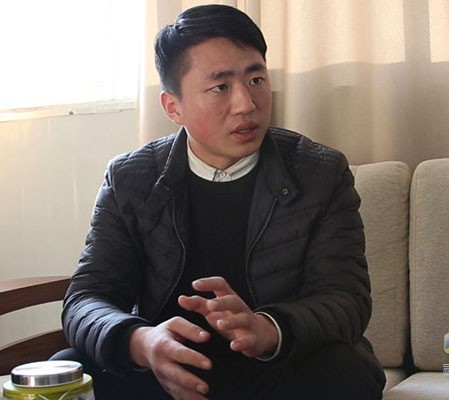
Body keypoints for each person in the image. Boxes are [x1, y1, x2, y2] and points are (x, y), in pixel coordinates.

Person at [53, 4, 386, 400]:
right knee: (67, 367)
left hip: (277, 370)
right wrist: (143, 343)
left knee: (346, 369)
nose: (246, 103)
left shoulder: (321, 172)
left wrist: (266, 329)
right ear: (173, 107)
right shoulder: (130, 178)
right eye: (220, 87)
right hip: (168, 373)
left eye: (256, 79)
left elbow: (346, 300)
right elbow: (87, 298)